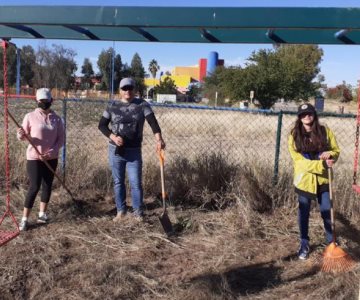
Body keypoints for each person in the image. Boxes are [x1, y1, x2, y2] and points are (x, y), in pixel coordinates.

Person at [98, 77, 166, 222]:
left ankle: (138, 213)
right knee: (118, 182)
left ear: (134, 89)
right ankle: (121, 211)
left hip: (134, 152)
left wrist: (159, 139)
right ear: (120, 90)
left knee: (135, 183)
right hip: (116, 151)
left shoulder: (142, 105)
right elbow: (102, 125)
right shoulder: (112, 106)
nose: (127, 91)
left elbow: (153, 123)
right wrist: (113, 137)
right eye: (124, 88)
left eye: (130, 88)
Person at [288, 103, 340, 260]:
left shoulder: (325, 131)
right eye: (303, 115)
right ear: (299, 117)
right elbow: (299, 162)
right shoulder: (294, 135)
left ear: (314, 115)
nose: (307, 117)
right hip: (304, 181)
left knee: (327, 213)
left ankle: (330, 244)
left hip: (324, 181)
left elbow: (336, 151)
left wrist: (329, 155)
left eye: (309, 113)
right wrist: (321, 164)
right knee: (304, 214)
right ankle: (304, 243)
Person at [17, 88, 65, 231]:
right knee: (34, 186)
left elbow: (61, 139)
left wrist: (51, 153)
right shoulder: (29, 116)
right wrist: (20, 134)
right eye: (41, 101)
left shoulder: (57, 119)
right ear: (37, 101)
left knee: (47, 185)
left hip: (51, 158)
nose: (44, 103)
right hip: (34, 158)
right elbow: (22, 136)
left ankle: (42, 214)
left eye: (46, 101)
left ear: (51, 101)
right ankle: (24, 219)